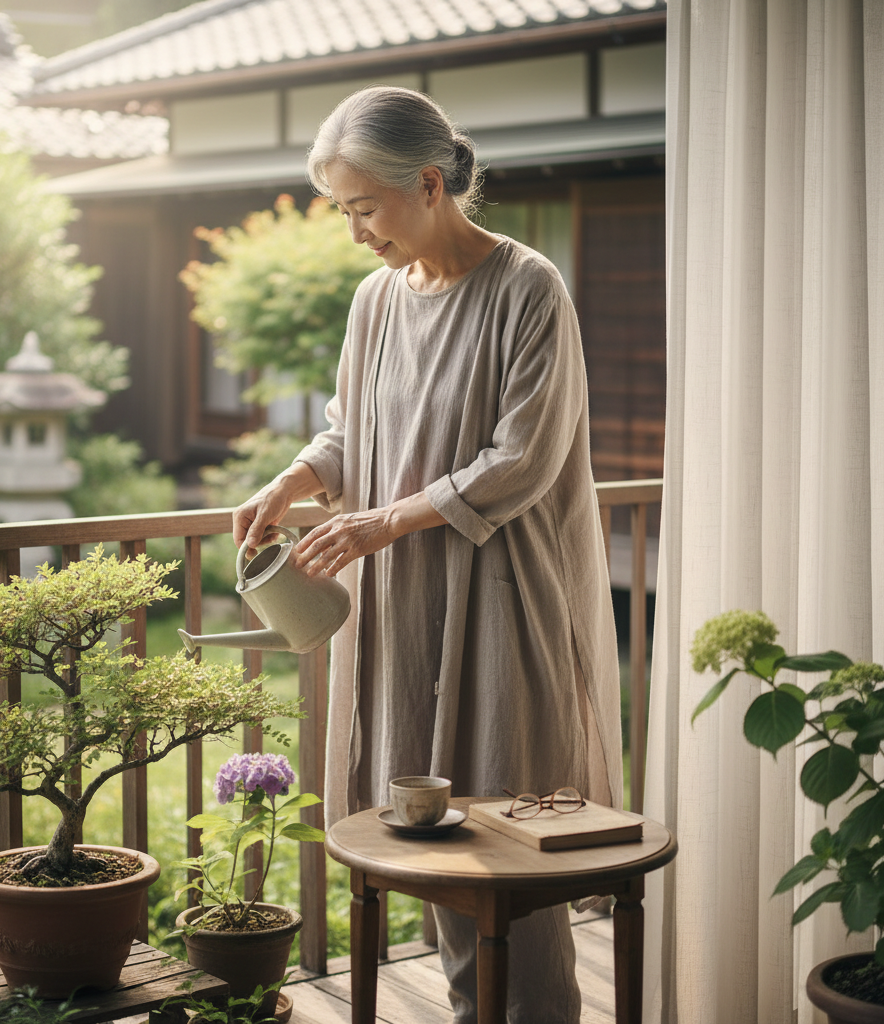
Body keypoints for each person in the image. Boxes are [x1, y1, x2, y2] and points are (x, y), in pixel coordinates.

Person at [233, 86, 623, 1024]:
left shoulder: (528, 288)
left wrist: (382, 522)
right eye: (345, 212)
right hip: (398, 598)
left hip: (502, 589)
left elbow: (521, 457)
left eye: (365, 208)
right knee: (420, 820)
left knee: (500, 825)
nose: (356, 233)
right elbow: (350, 432)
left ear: (430, 183)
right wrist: (293, 478)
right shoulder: (375, 301)